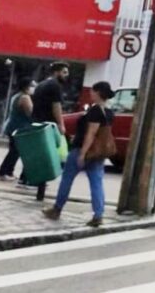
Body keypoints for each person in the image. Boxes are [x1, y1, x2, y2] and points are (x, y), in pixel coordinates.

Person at [43, 81, 114, 227]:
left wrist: (82, 153)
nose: (91, 93)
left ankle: (57, 209)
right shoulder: (109, 112)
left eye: (93, 91)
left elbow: (91, 133)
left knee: (67, 179)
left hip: (82, 150)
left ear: (98, 93)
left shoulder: (95, 111)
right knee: (96, 183)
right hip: (98, 154)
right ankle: (98, 214)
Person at [0, 78, 34, 182]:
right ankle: (3, 172)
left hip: (13, 126)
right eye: (32, 85)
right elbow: (30, 112)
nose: (33, 88)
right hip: (19, 127)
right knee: (14, 151)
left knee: (15, 151)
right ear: (26, 86)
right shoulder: (25, 97)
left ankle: (8, 171)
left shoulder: (16, 96)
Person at [31, 62, 69, 139]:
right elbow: (56, 107)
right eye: (64, 72)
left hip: (37, 123)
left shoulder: (41, 84)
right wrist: (61, 125)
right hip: (48, 126)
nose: (67, 75)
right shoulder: (55, 85)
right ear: (56, 72)